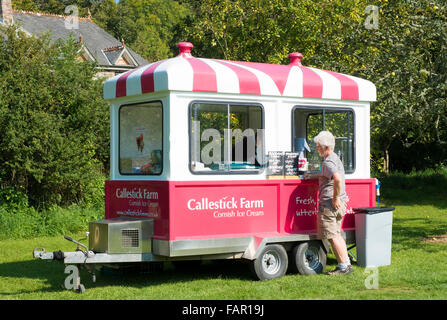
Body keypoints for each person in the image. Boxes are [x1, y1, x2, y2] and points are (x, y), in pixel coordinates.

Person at [311, 131, 353, 275]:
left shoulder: (328, 161)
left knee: (332, 236)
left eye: (318, 147)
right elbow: (328, 175)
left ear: (326, 147)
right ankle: (346, 264)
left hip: (330, 204)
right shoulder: (335, 158)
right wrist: (312, 175)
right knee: (337, 235)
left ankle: (343, 267)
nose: (317, 149)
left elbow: (337, 179)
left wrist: (334, 198)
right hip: (339, 203)